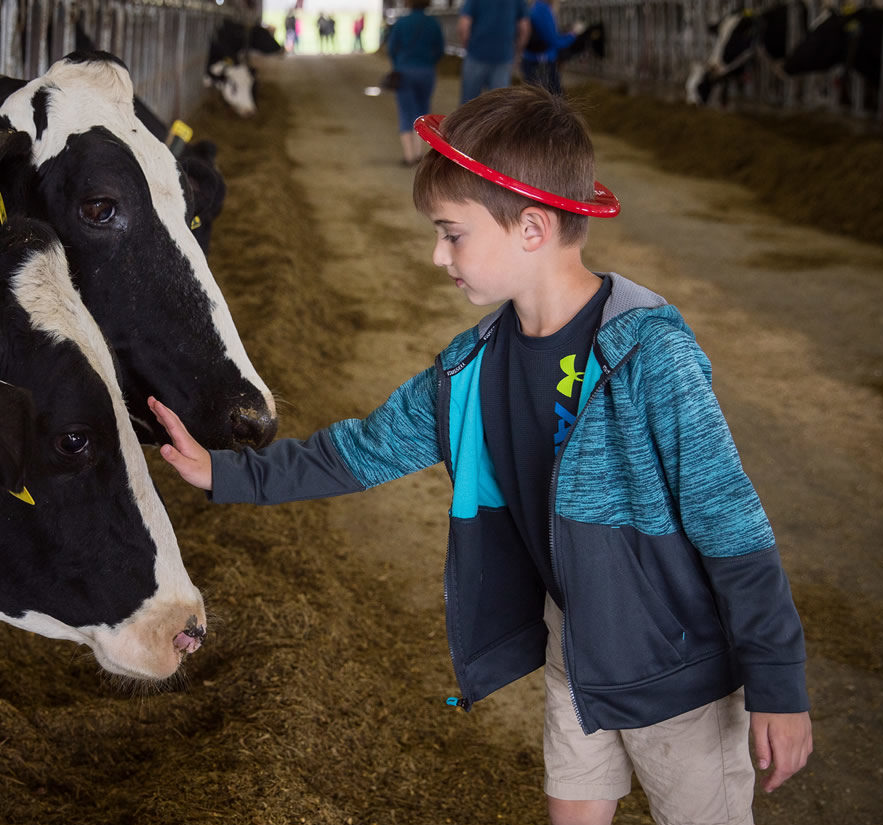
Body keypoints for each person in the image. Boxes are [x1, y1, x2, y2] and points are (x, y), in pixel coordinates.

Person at [150, 85, 813, 825]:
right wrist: (227, 472)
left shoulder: (648, 355)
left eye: (452, 233)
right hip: (573, 649)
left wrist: (778, 682)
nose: (437, 255)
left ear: (531, 227)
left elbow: (731, 521)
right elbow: (365, 449)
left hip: (677, 671)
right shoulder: (471, 367)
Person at [386, 0, 445, 167]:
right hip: (426, 72)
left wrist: (398, 64)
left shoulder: (401, 23)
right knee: (422, 110)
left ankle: (409, 156)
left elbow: (391, 48)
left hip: (405, 71)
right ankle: (419, 153)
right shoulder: (433, 23)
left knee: (406, 112)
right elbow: (440, 49)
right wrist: (429, 62)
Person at [458, 0, 531, 104]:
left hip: (476, 55)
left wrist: (467, 46)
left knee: (468, 103)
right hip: (503, 58)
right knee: (499, 105)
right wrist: (517, 52)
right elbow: (524, 28)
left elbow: (464, 25)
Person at [521, 0, 583, 94]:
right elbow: (554, 42)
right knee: (550, 96)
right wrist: (573, 34)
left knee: (534, 95)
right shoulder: (542, 9)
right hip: (542, 63)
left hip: (531, 59)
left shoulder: (535, 6)